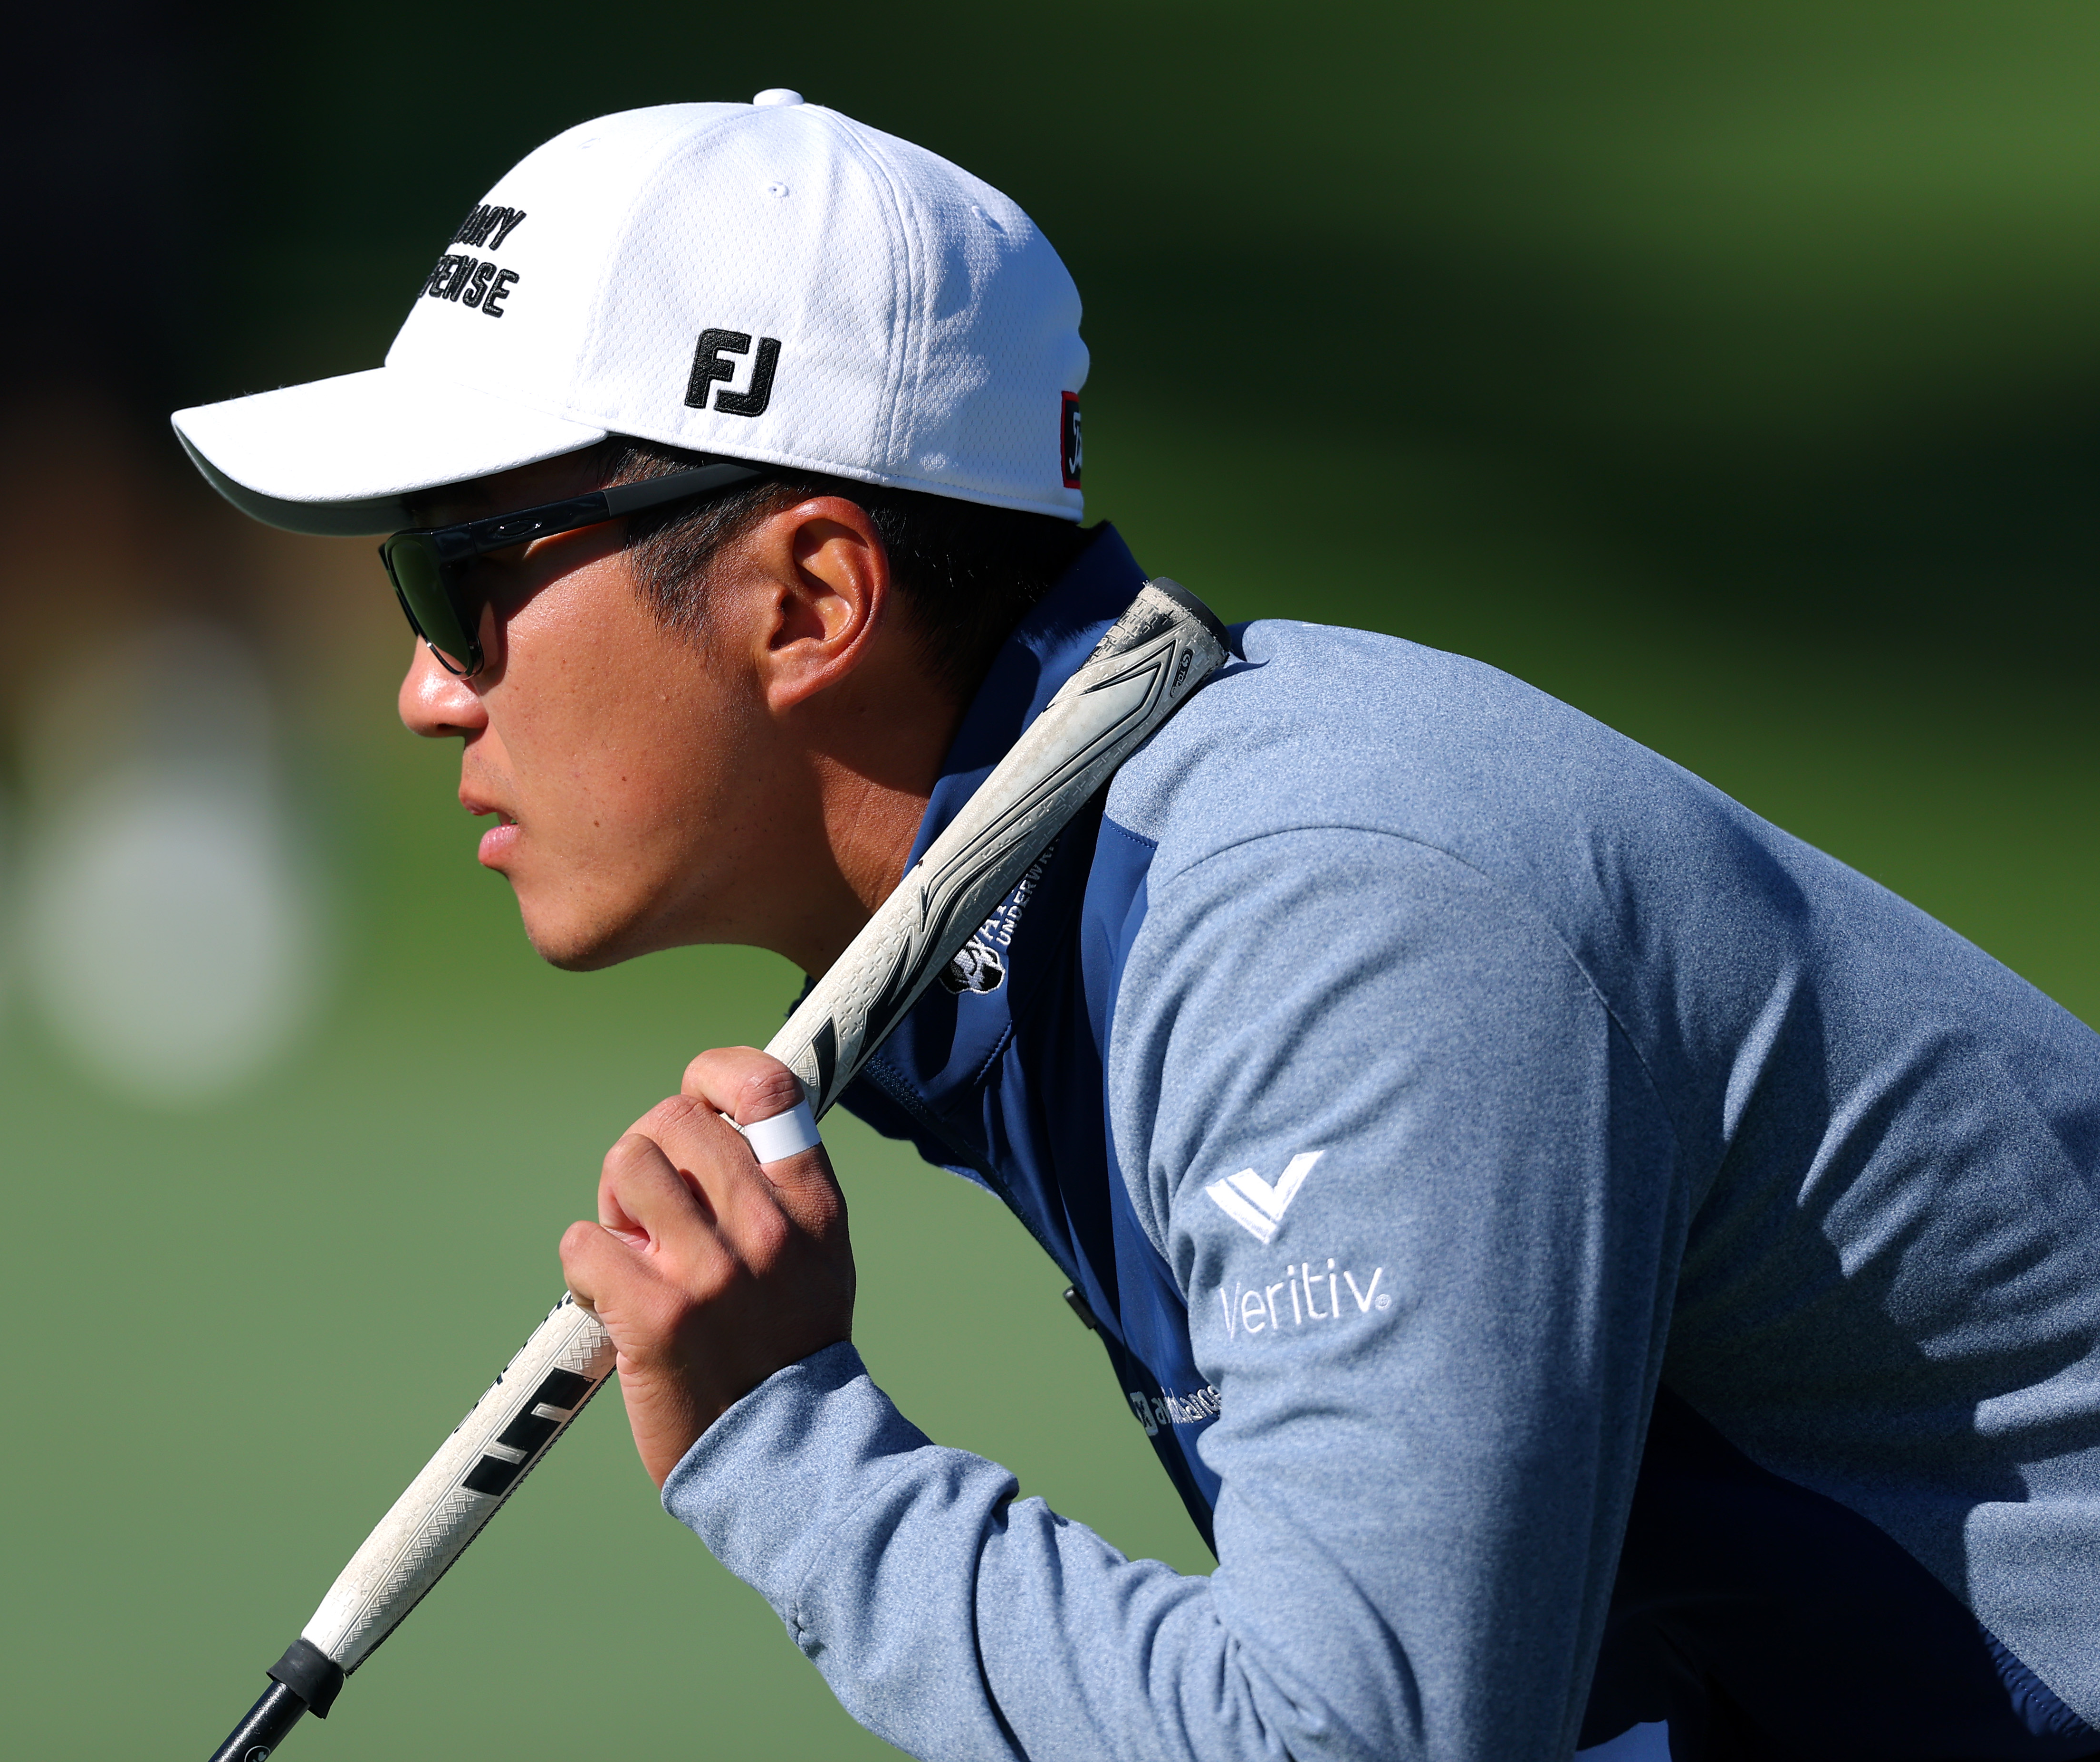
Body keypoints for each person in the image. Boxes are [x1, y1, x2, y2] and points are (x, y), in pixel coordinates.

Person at [173, 93, 2100, 1762]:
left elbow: (1345, 1740)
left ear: (811, 598)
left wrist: (777, 1440)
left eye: (457, 583)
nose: (423, 692)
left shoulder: (1324, 913)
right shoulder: (1079, 906)